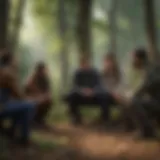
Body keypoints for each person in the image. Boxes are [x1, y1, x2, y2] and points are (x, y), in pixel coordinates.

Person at [117, 48, 160, 138]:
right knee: (130, 101)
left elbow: (143, 87)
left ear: (139, 59)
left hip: (156, 101)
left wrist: (129, 97)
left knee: (133, 102)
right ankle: (130, 126)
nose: (132, 60)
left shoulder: (150, 70)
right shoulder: (145, 68)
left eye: (134, 58)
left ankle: (147, 131)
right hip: (152, 99)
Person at [0, 50, 40, 146]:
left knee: (21, 106)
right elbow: (18, 95)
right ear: (10, 61)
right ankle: (24, 138)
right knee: (29, 106)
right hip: (2, 107)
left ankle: (11, 131)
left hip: (3, 104)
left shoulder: (3, 71)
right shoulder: (7, 73)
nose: (16, 61)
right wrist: (31, 99)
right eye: (14, 60)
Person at [65, 56, 114, 126]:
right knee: (71, 95)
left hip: (94, 95)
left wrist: (93, 91)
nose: (85, 65)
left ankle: (105, 118)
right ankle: (76, 116)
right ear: (81, 64)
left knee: (104, 95)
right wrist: (82, 90)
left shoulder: (95, 73)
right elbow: (75, 86)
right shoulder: (78, 73)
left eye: (86, 63)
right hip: (81, 95)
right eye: (83, 64)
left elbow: (99, 85)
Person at [25, 62, 52, 127]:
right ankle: (33, 121)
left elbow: (48, 91)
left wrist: (45, 96)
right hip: (32, 97)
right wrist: (37, 95)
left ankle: (39, 120)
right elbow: (27, 88)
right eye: (43, 69)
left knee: (48, 101)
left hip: (41, 97)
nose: (45, 71)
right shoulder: (33, 78)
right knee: (36, 103)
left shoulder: (45, 79)